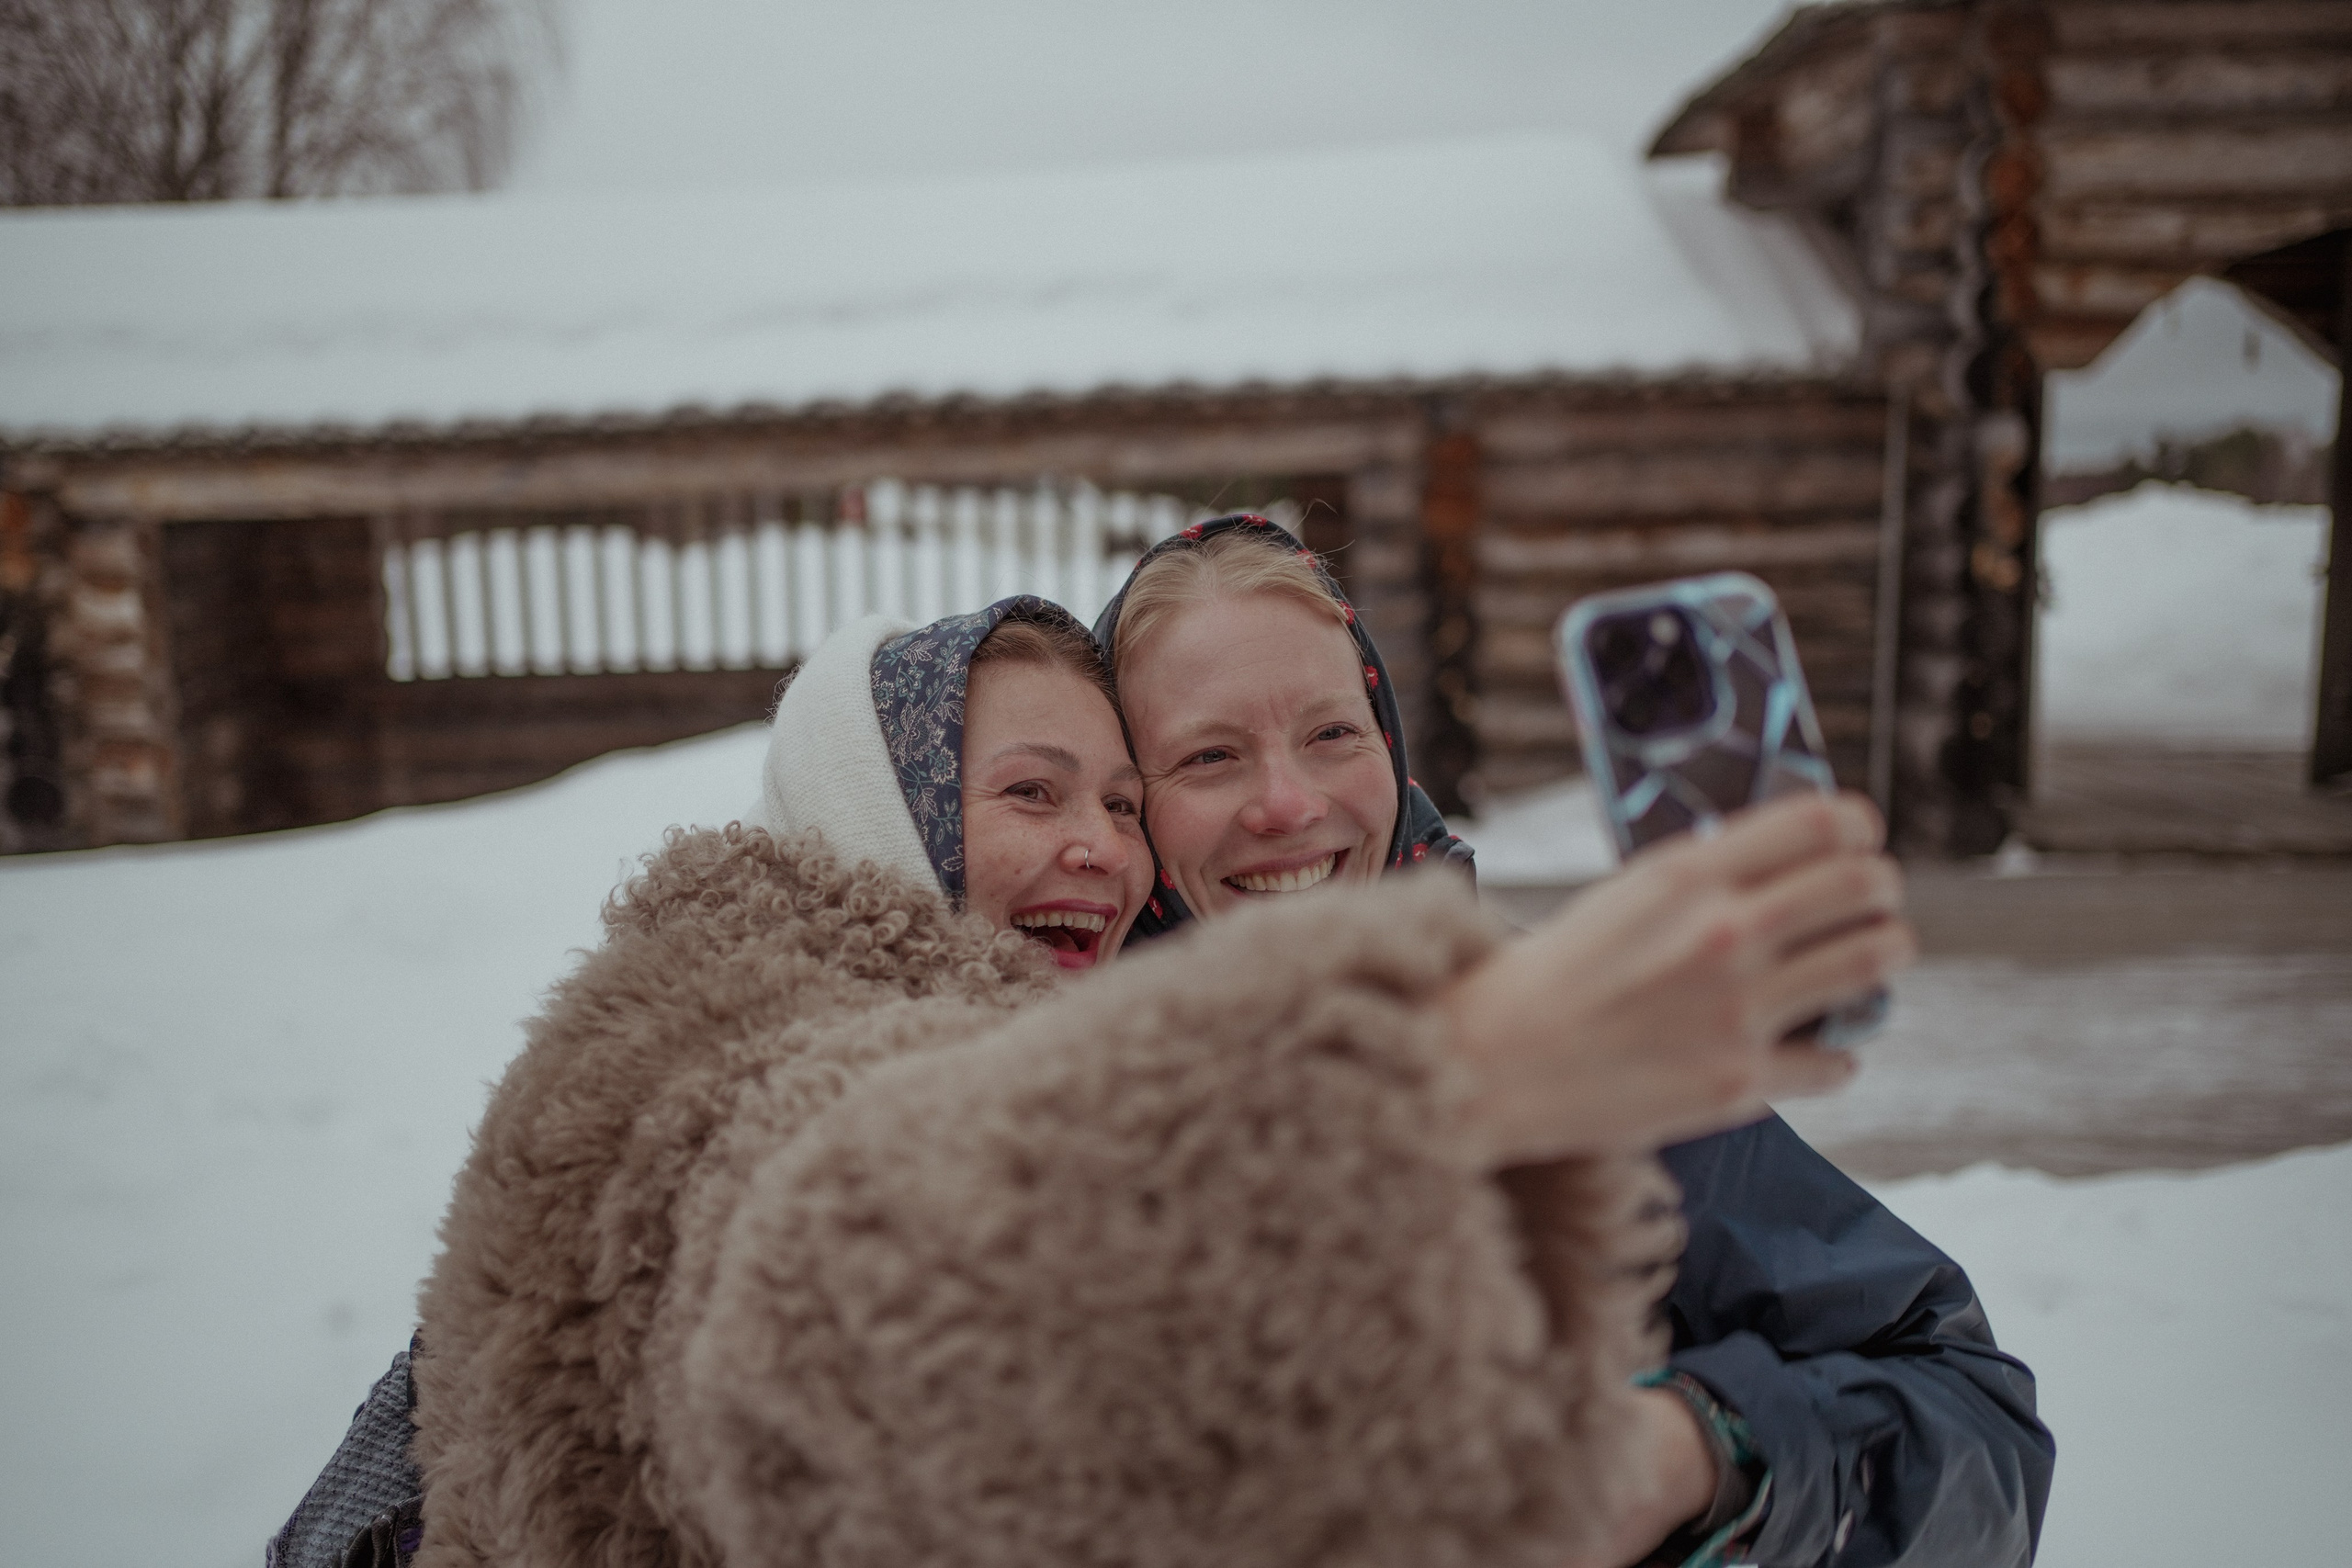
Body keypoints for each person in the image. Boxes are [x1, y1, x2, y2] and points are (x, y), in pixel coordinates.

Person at [316, 589, 1902, 1568]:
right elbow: (841, 1277)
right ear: (883, 811)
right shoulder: (720, 1047)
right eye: (1033, 792)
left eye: (1122, 796)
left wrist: (1699, 1455)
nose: (1103, 841)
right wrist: (1429, 1078)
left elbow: (1950, 1396)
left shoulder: (1051, 1033)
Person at [1093, 514, 2056, 1568]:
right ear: (1127, 809)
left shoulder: (1576, 1045)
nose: (1288, 802)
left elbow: (1973, 1422)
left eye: (1332, 734)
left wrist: (1700, 1451)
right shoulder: (1043, 1115)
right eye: (1209, 755)